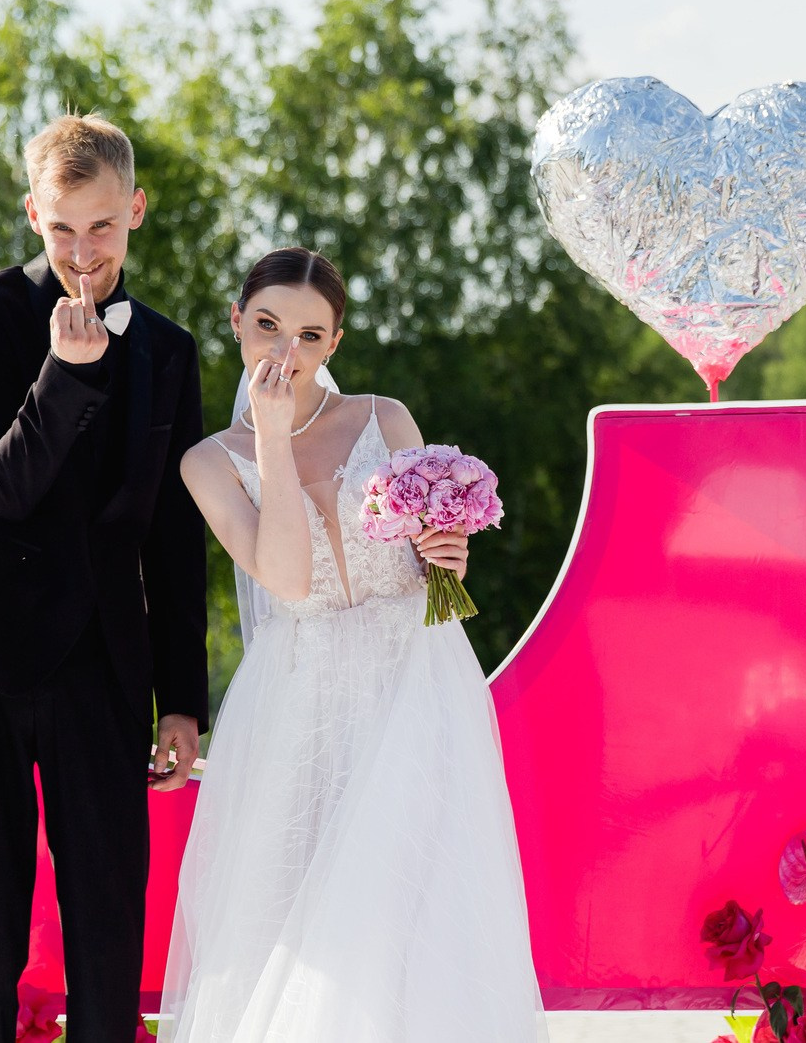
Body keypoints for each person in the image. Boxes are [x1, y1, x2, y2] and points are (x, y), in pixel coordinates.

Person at [159, 248, 544, 1043]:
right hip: (299, 711)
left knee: (414, 913)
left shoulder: (386, 418)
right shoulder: (208, 462)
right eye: (266, 326)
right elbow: (288, 580)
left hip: (413, 694)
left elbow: (425, 563)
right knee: (300, 926)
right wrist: (268, 438)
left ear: (334, 342)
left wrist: (448, 556)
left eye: (307, 334)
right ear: (237, 323)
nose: (283, 352)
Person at [0, 115, 209, 1043]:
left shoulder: (170, 349)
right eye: (62, 227)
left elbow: (173, 534)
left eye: (101, 226)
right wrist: (65, 374)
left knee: (110, 933)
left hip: (102, 666)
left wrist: (181, 699)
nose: (81, 252)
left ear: (135, 210)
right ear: (34, 213)